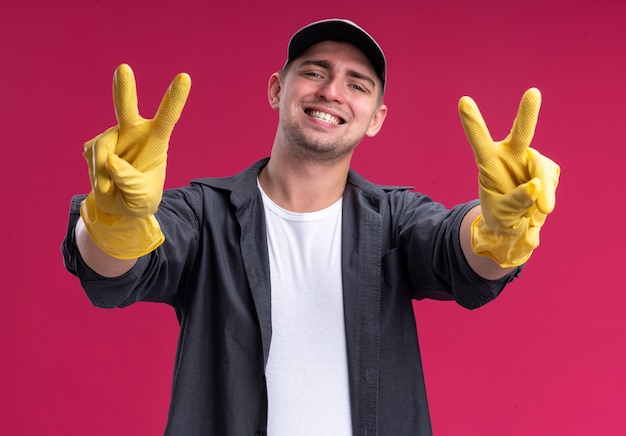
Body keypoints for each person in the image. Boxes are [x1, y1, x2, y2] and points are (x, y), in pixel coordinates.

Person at [62, 18, 560, 436]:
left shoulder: (395, 220)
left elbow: (457, 252)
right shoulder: (203, 214)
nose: (331, 91)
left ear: (375, 119)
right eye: (315, 72)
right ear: (278, 89)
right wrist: (115, 219)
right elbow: (112, 273)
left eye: (356, 84)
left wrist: (497, 228)